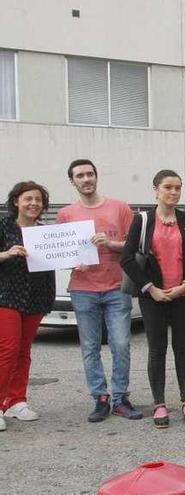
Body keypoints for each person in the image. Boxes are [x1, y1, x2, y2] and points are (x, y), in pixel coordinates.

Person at [56, 159, 141, 423]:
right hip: (83, 288)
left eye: (89, 174)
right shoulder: (65, 214)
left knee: (121, 344)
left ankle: (120, 397)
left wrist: (111, 243)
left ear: (96, 176)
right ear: (72, 181)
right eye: (79, 176)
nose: (86, 179)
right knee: (90, 346)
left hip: (117, 287)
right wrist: (72, 261)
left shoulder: (120, 208)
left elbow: (134, 244)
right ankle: (100, 397)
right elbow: (60, 253)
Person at [121, 170, 185, 429]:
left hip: (182, 295)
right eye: (168, 187)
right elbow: (127, 259)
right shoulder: (142, 220)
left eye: (178, 187)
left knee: (183, 349)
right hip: (152, 296)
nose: (174, 192)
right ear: (156, 190)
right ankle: (159, 403)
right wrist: (149, 288)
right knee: (157, 350)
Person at [0, 181, 55, 432]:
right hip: (6, 296)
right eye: (28, 199)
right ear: (16, 202)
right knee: (8, 349)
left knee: (24, 351)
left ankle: (16, 401)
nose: (34, 204)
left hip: (35, 297)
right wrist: (6, 253)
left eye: (38, 200)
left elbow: (57, 260)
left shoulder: (44, 233)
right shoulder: (3, 226)